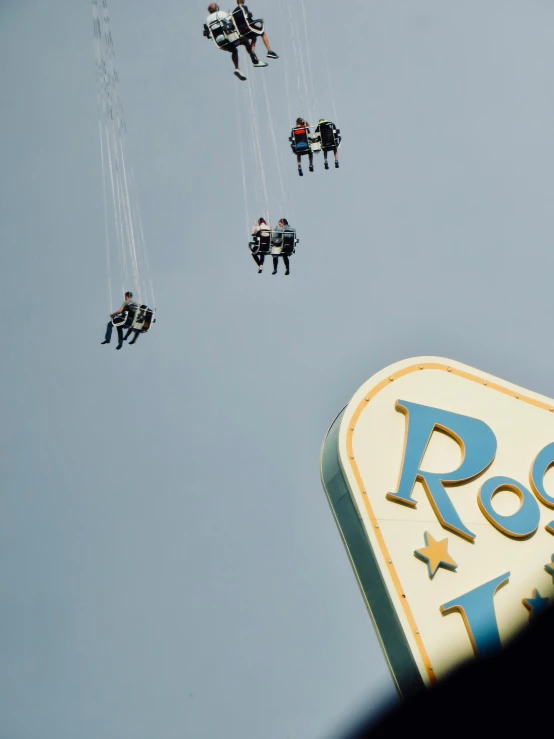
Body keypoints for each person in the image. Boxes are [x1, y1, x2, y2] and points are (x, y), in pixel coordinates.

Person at [203, 3, 267, 81]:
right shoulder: (221, 13)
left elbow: (205, 33)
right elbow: (231, 21)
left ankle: (237, 68)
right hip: (229, 38)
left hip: (220, 43)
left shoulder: (207, 20)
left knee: (234, 50)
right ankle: (254, 59)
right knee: (246, 41)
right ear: (217, 8)